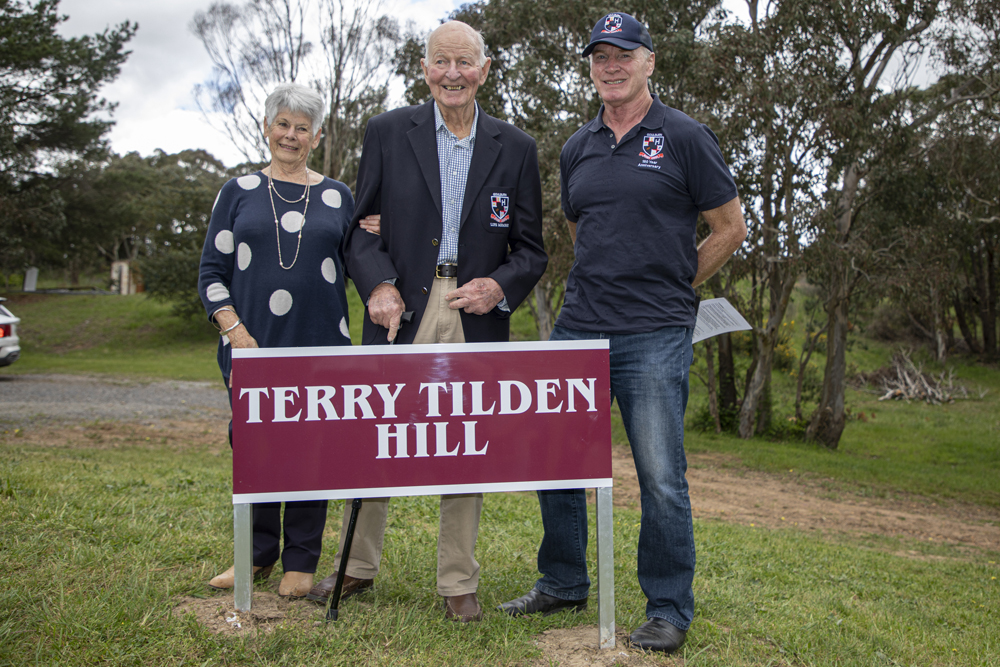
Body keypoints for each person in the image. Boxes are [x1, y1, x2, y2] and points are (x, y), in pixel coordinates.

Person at [499, 12, 747, 653]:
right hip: (579, 327)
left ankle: (667, 608)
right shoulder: (576, 147)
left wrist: (676, 283)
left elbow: (729, 227)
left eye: (624, 54)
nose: (611, 66)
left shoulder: (685, 136)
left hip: (655, 333)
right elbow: (580, 228)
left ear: (649, 61)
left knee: (660, 476)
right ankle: (562, 582)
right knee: (555, 460)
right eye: (600, 57)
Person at [305, 20, 547, 622]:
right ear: (424, 69)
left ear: (484, 71)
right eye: (441, 61)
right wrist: (379, 285)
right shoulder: (387, 132)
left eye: (465, 62)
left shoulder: (516, 147)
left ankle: (458, 581)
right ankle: (356, 565)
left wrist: (499, 286)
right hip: (401, 309)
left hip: (475, 311)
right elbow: (359, 233)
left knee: (464, 440)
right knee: (376, 433)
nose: (452, 74)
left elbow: (531, 250)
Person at [198, 82, 358, 599]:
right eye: (282, 124)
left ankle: (302, 559)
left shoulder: (338, 196)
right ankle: (256, 553)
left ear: (317, 136)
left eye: (302, 127)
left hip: (322, 346)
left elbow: (360, 258)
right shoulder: (238, 191)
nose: (291, 135)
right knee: (257, 448)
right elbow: (211, 272)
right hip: (253, 345)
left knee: (312, 447)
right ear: (267, 128)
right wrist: (234, 331)